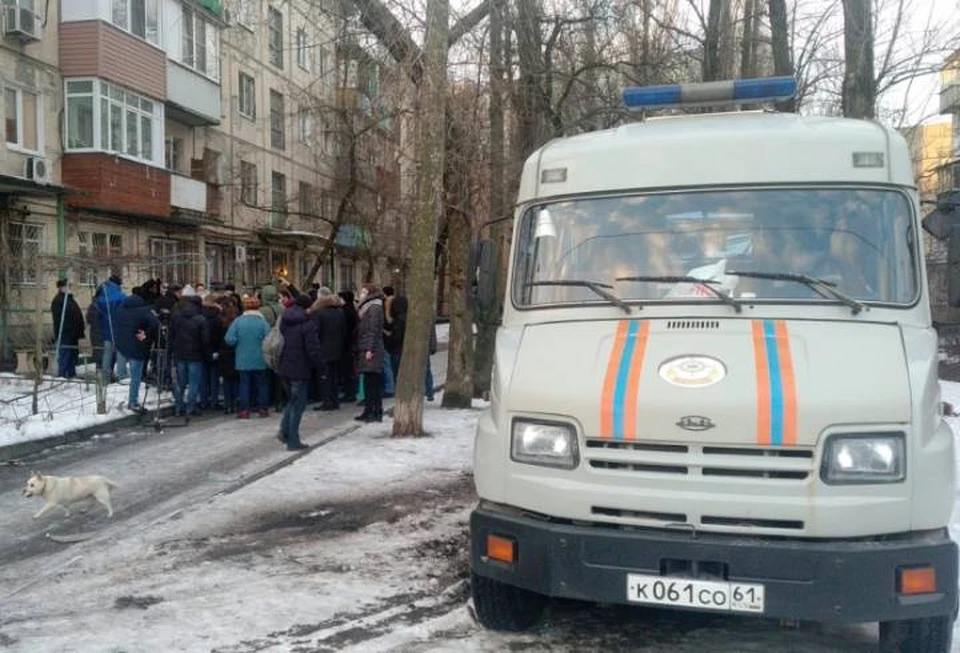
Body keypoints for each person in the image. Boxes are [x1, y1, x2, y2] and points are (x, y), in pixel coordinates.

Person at [278, 294, 324, 449]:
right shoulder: (307, 324)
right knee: (298, 405)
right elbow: (313, 349)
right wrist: (320, 366)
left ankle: (285, 432)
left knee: (292, 401)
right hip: (300, 367)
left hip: (284, 365)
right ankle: (292, 440)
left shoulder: (284, 319)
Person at [224, 296, 271, 419]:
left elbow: (229, 339)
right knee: (261, 384)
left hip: (242, 359)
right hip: (260, 358)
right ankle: (263, 409)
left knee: (244, 384)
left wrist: (239, 342)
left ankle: (244, 410)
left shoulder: (238, 321)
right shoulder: (262, 322)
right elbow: (270, 339)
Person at [114, 288, 159, 411]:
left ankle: (121, 379)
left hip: (122, 345)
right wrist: (145, 333)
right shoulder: (144, 311)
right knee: (136, 376)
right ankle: (133, 401)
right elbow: (155, 323)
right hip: (137, 347)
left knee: (124, 371)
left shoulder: (120, 309)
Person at [170, 295, 210, 419]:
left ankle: (178, 406)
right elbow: (205, 340)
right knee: (194, 383)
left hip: (180, 354)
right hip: (196, 355)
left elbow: (172, 336)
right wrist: (207, 355)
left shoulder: (177, 318)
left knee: (181, 382)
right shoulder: (201, 319)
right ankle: (190, 408)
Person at [310, 287, 346, 411]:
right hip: (337, 349)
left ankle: (327, 401)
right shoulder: (339, 312)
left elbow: (315, 332)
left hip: (323, 350)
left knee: (324, 377)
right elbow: (343, 331)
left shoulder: (319, 313)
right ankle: (334, 400)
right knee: (334, 376)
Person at [355, 284, 386, 423]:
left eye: (364, 291)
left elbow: (373, 329)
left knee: (372, 382)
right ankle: (371, 410)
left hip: (371, 349)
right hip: (369, 347)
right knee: (370, 381)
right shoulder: (371, 306)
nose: (361, 294)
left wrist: (369, 349)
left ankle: (374, 411)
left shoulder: (373, 307)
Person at [50, 279, 85, 379]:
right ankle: (63, 374)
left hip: (73, 333)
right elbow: (60, 318)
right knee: (65, 353)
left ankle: (71, 373)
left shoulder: (69, 299)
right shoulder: (59, 300)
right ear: (61, 288)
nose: (69, 288)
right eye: (67, 286)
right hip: (66, 332)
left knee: (73, 354)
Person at [96, 274, 126, 380]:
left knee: (107, 353)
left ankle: (105, 377)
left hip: (106, 330)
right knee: (121, 353)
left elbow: (98, 316)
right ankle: (122, 376)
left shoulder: (100, 297)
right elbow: (124, 313)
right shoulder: (121, 296)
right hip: (119, 329)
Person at [217, 296, 240, 415]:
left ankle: (227, 404)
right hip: (236, 352)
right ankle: (235, 402)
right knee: (236, 379)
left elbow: (216, 338)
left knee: (227, 380)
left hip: (224, 353)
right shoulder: (238, 323)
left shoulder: (220, 322)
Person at [338, 290, 359, 402]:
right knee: (350, 370)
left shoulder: (345, 311)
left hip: (346, 344)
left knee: (347, 370)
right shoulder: (352, 310)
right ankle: (350, 392)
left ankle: (348, 393)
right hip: (351, 343)